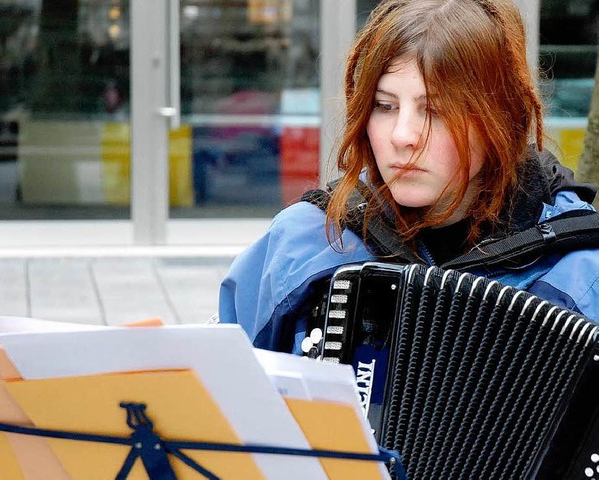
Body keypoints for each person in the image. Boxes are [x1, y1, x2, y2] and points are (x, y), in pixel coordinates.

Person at [218, 0, 599, 354]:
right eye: (384, 106)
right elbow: (225, 395)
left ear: (499, 119)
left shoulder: (579, 271)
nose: (401, 136)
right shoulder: (302, 241)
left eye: (434, 111)